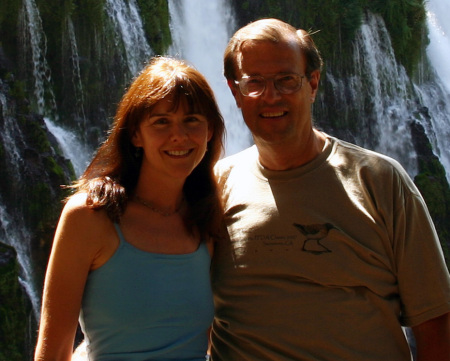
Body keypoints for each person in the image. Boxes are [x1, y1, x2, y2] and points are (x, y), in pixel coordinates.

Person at [210, 18, 450, 361]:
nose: (271, 96)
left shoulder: (381, 181)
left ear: (313, 84)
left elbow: (436, 323)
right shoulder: (214, 187)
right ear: (235, 92)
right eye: (255, 83)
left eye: (286, 80)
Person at [34, 56, 225, 361]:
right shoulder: (90, 215)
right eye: (161, 121)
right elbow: (53, 353)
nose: (179, 135)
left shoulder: (208, 217)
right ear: (135, 133)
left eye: (192, 120)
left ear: (210, 131)